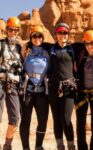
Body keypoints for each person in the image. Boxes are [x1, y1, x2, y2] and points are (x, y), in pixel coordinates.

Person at [19, 25, 50, 150]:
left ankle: (38, 146)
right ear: (31, 38)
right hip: (28, 91)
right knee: (25, 120)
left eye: (39, 36)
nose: (37, 38)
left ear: (42, 38)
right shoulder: (26, 52)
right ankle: (26, 147)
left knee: (42, 121)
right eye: (34, 36)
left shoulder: (47, 52)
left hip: (42, 91)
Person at [49, 23, 76, 150]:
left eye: (65, 33)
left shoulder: (73, 48)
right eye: (60, 33)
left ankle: (71, 145)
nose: (63, 35)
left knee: (66, 119)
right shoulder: (51, 48)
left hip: (69, 89)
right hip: (54, 89)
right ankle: (60, 146)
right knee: (56, 119)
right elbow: (36, 43)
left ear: (68, 35)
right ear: (56, 35)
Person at [0, 16, 22, 150]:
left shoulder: (20, 47)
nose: (13, 32)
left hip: (13, 85)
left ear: (18, 31)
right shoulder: (1, 44)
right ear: (7, 30)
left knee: (14, 118)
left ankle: (7, 145)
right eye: (10, 30)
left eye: (15, 30)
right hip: (1, 83)